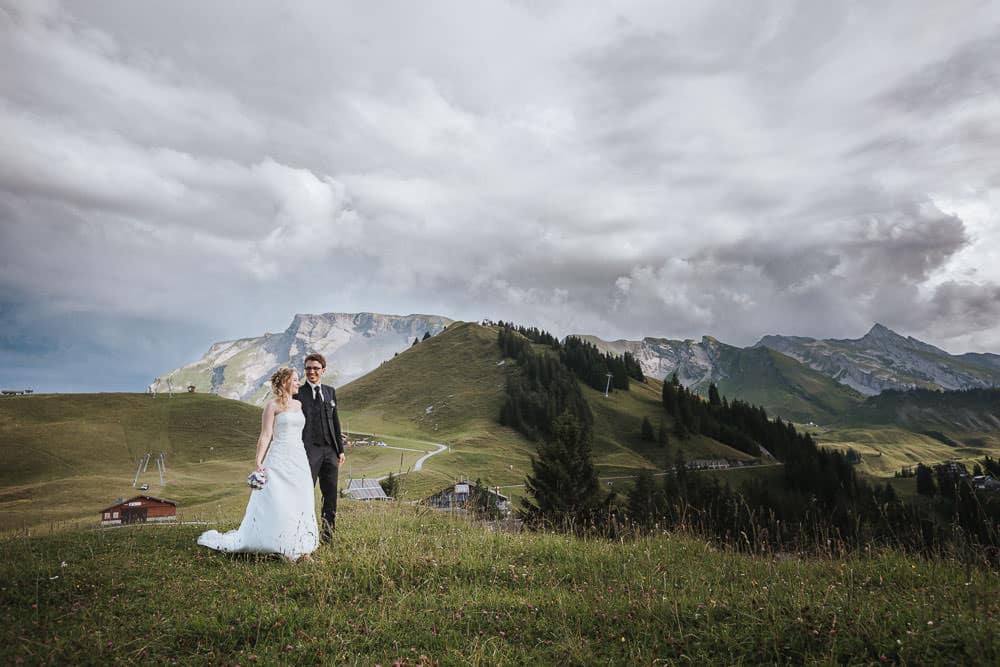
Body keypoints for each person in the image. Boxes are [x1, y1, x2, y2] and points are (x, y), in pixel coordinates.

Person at [197, 368, 318, 561]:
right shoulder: (272, 406)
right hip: (278, 457)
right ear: (285, 382)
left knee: (300, 497)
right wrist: (259, 461)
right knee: (278, 499)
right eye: (295, 380)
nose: (298, 383)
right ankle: (282, 545)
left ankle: (300, 544)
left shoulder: (299, 404)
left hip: (298, 457)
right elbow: (266, 435)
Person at [297, 352, 346, 541]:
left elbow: (335, 421)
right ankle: (303, 534)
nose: (311, 372)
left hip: (330, 451)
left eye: (316, 368)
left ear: (323, 370)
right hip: (309, 451)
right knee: (305, 493)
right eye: (308, 368)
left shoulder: (330, 391)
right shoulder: (298, 393)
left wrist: (340, 449)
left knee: (330, 494)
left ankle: (328, 535)